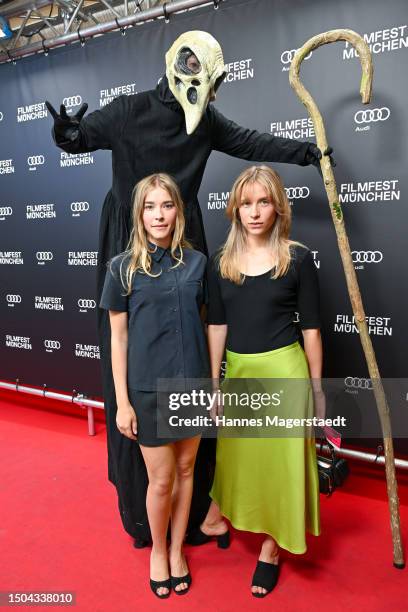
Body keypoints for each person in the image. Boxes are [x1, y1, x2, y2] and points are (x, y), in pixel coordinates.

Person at [46, 30, 333, 545]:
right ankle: (144, 512)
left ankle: (200, 507)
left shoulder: (205, 122)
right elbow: (81, 137)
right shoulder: (129, 110)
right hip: (128, 243)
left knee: (191, 365)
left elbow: (252, 142)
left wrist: (307, 151)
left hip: (185, 245)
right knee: (135, 363)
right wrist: (66, 132)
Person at [202, 165, 322, 597]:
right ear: (235, 207)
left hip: (286, 375)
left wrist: (317, 388)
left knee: (282, 466)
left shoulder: (298, 258)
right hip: (241, 374)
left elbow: (311, 329)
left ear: (278, 207)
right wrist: (216, 383)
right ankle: (220, 516)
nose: (255, 212)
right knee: (239, 459)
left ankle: (271, 549)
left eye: (264, 202)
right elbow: (216, 324)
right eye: (247, 202)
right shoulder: (221, 262)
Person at [99, 173, 210, 598]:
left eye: (166, 205)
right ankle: (158, 551)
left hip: (194, 386)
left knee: (187, 471)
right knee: (160, 481)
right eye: (150, 206)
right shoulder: (121, 268)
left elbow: (206, 323)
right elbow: (118, 339)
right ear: (139, 214)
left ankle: (178, 549)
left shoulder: (197, 263)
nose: (158, 214)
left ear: (177, 212)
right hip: (147, 391)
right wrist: (122, 403)